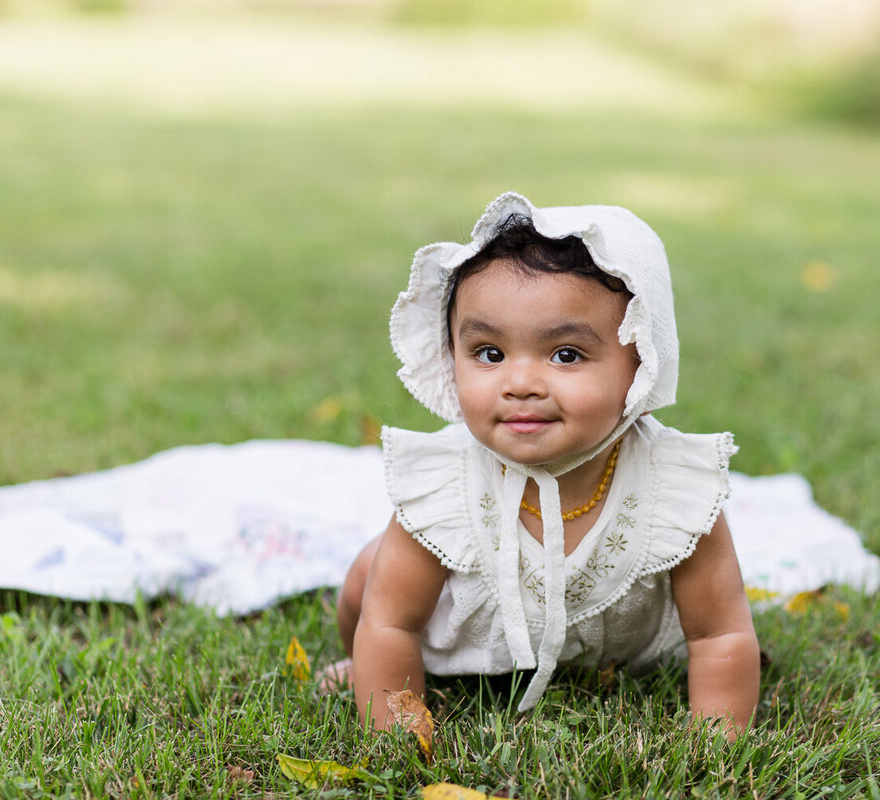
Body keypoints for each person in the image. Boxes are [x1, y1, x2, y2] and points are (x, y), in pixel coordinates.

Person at [325, 192, 760, 737]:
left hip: (620, 647)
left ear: (642, 362)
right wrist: (395, 730)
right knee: (372, 577)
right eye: (488, 353)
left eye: (566, 355)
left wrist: (717, 744)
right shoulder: (447, 483)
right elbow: (390, 621)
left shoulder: (674, 486)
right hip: (466, 637)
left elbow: (720, 634)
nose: (521, 383)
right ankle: (355, 665)